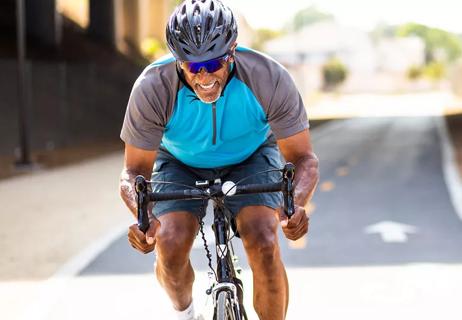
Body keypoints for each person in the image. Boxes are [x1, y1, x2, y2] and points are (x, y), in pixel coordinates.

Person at [119, 0, 319, 319]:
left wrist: (294, 206)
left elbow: (304, 159)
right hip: (180, 162)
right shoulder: (152, 87)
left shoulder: (268, 77)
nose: (204, 76)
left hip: (251, 156)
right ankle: (186, 314)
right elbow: (133, 172)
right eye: (192, 66)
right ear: (176, 60)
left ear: (232, 51)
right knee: (169, 244)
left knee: (265, 241)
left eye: (214, 63)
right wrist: (143, 218)